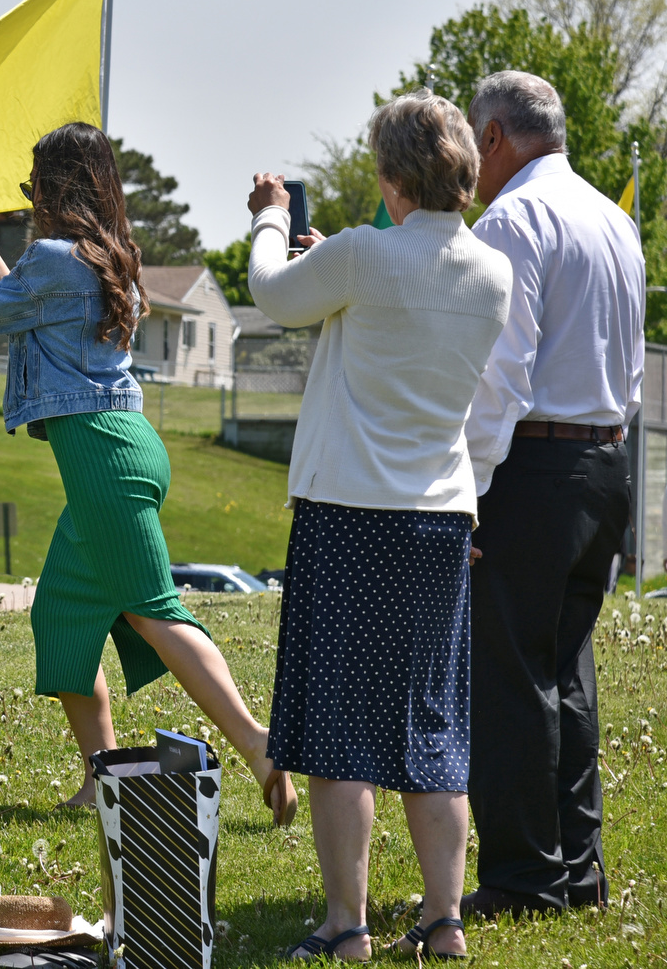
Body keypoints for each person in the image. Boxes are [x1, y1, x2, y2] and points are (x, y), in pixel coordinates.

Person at [0, 122, 297, 829]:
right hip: (127, 446)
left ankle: (259, 746)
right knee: (63, 613)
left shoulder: (51, 257)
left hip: (104, 457)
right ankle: (102, 781)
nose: (28, 197)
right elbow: (26, 311)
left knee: (153, 609)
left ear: (53, 189)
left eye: (31, 186)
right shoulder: (109, 257)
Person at [246, 90, 513, 961]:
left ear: (392, 176)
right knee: (430, 726)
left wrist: (271, 219)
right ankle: (443, 922)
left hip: (349, 513)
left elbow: (272, 293)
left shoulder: (360, 256)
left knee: (339, 730)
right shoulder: (492, 272)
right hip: (438, 517)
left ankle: (347, 925)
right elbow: (399, 304)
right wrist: (340, 263)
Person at [460, 71, 643, 917]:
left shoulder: (513, 220)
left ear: (494, 137)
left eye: (473, 142)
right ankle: (580, 869)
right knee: (566, 672)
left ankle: (525, 878)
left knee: (508, 676)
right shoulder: (615, 218)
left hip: (533, 469)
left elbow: (501, 374)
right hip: (607, 462)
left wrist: (466, 489)